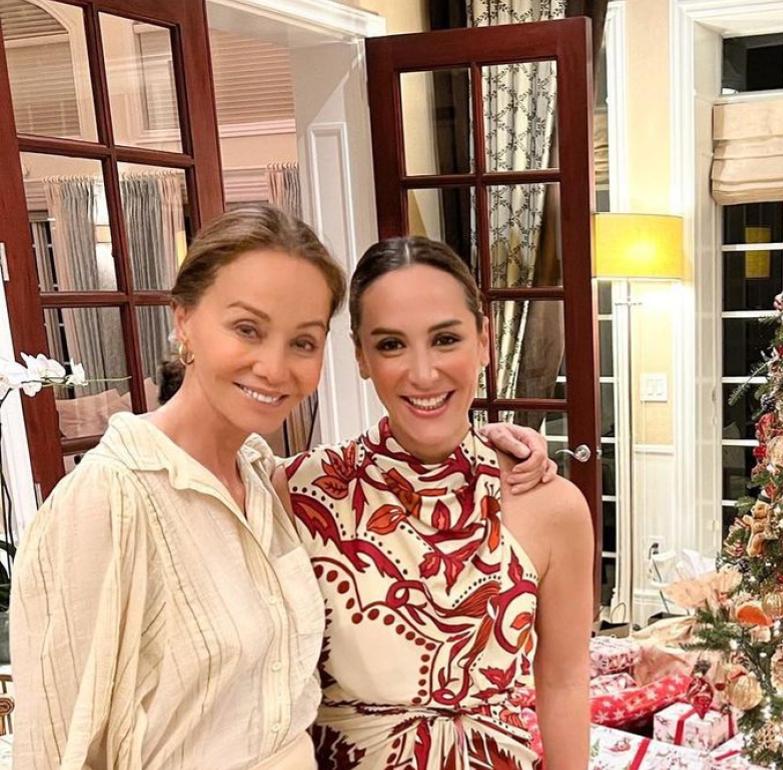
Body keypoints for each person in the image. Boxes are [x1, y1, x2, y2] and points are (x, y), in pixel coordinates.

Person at [11, 205, 554, 770]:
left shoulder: (263, 480)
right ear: (184, 320)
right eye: (247, 329)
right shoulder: (109, 499)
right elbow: (53, 750)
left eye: (303, 342)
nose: (274, 367)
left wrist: (487, 445)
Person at [276, 236, 592, 770]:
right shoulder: (301, 493)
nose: (423, 373)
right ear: (361, 356)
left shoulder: (551, 506)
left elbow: (564, 682)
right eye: (391, 345)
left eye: (445, 339)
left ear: (484, 341)